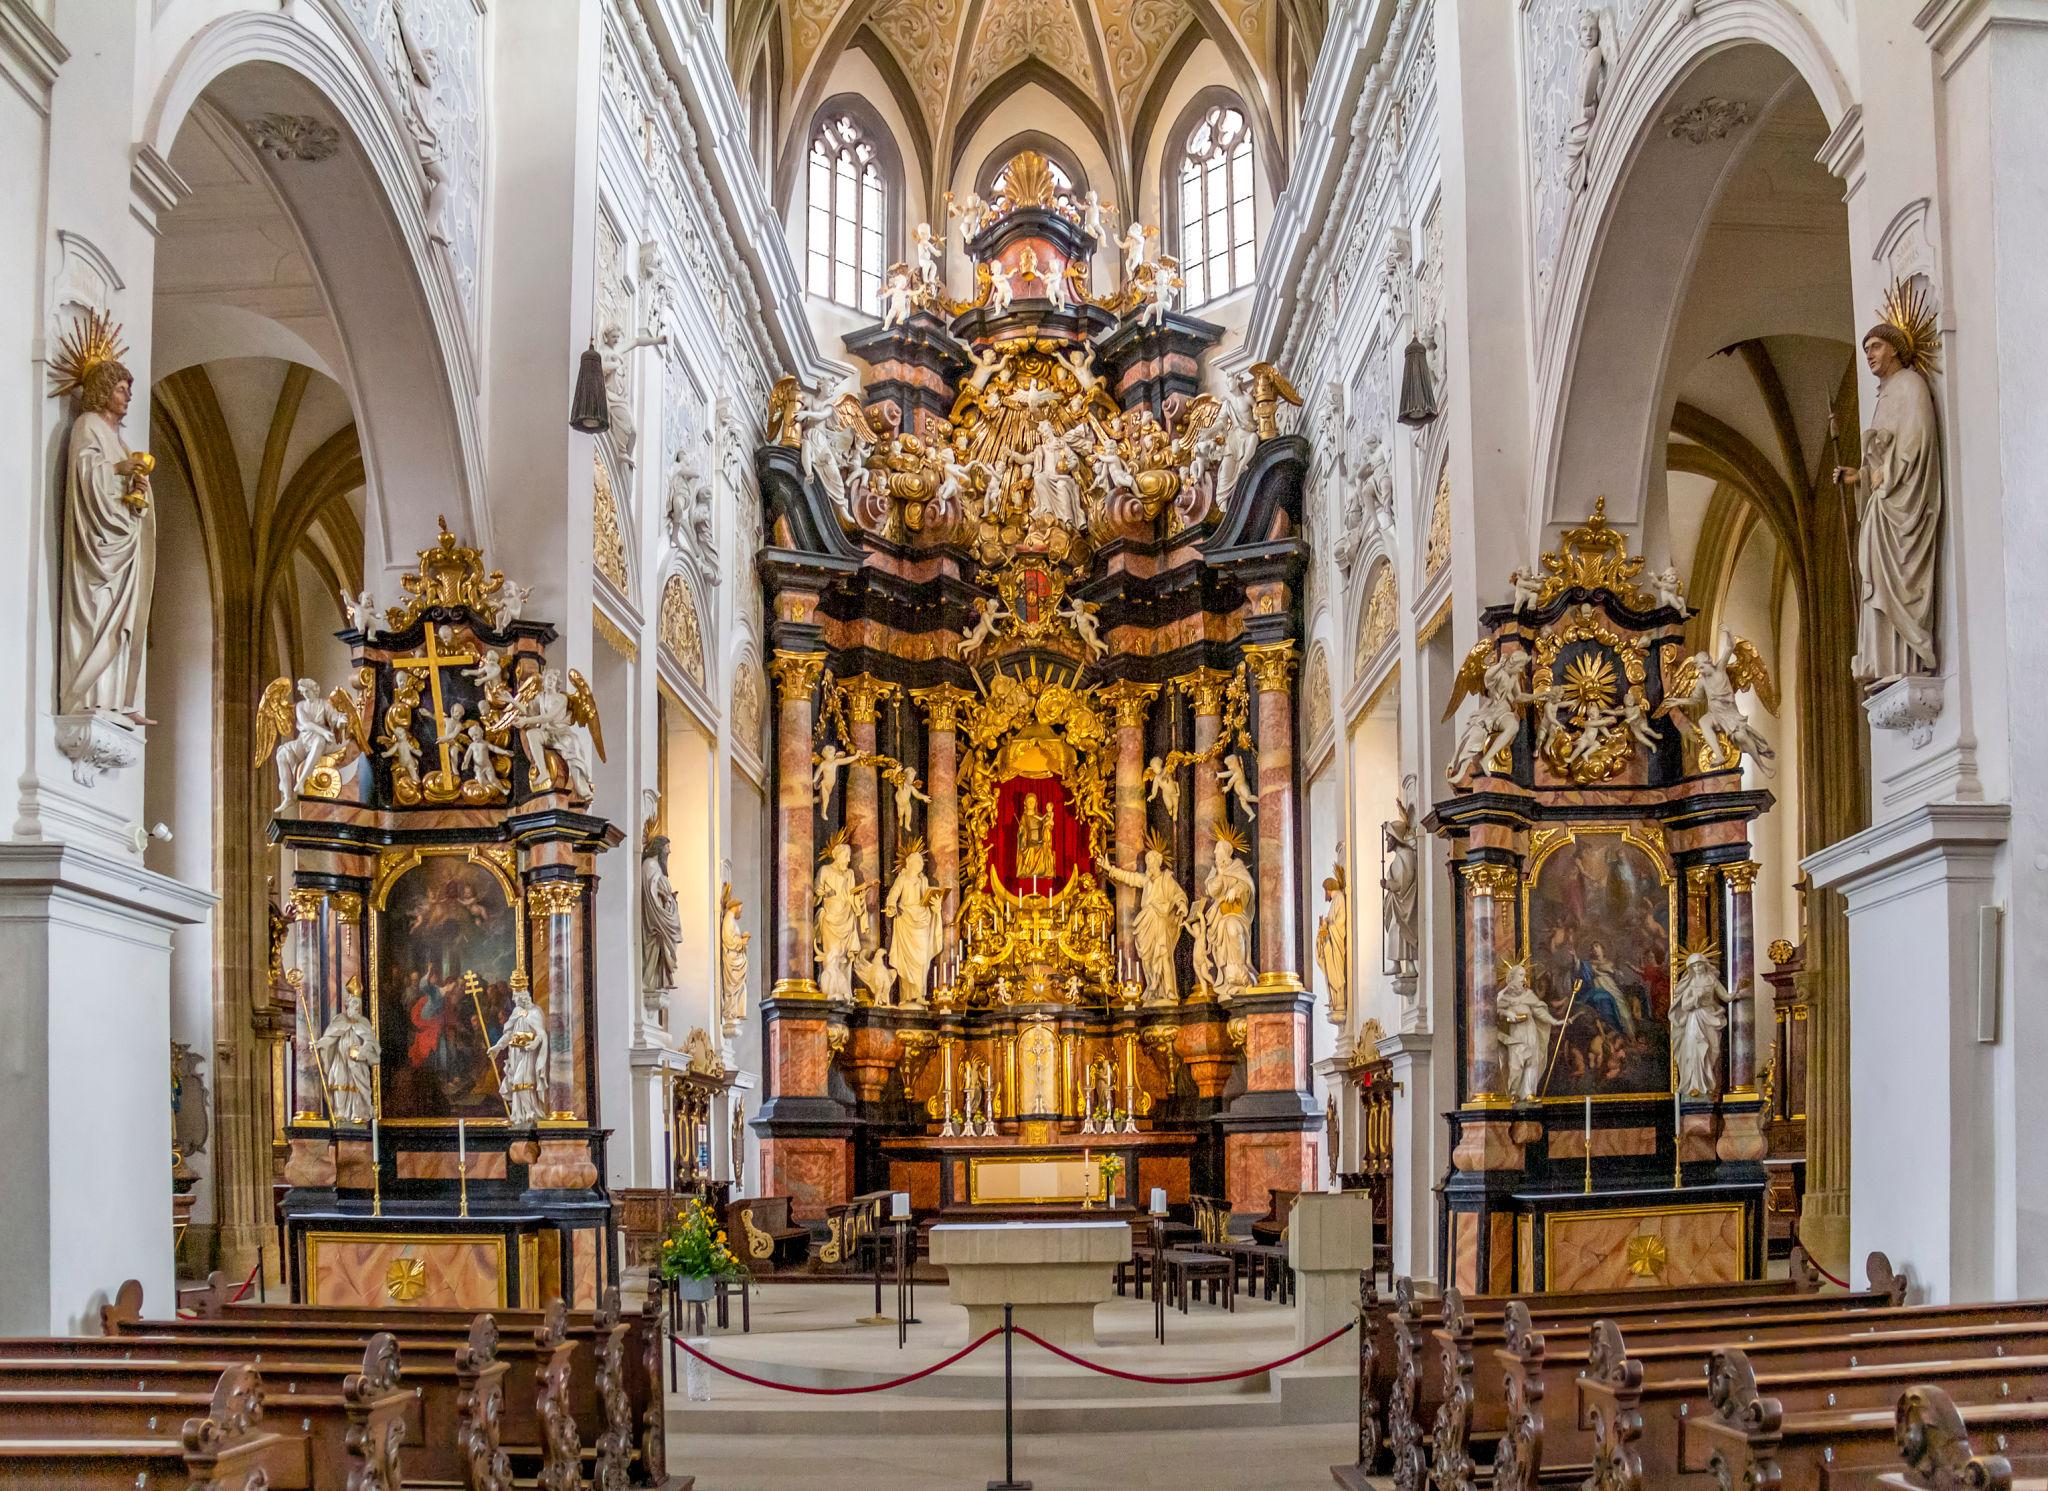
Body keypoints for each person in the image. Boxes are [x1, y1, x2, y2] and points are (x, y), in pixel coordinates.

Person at [489, 975, 550, 1126]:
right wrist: (497, 1046)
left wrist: (535, 1043)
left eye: (517, 995)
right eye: (514, 995)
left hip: (528, 1053)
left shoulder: (536, 1011)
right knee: (516, 1083)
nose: (515, 999)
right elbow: (508, 1034)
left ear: (524, 995)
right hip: (515, 1053)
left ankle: (532, 1112)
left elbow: (541, 1033)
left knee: (521, 1082)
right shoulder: (516, 1011)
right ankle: (520, 1114)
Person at [315, 980, 377, 1125]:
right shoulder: (339, 1019)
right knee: (339, 1083)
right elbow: (330, 1037)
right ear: (347, 1004)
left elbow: (371, 1043)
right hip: (340, 1060)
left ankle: (358, 1113)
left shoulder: (363, 1023)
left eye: (357, 1004)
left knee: (359, 1087)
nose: (355, 1007)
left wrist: (361, 1053)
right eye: (352, 1003)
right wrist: (318, 1044)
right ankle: (340, 1113)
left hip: (357, 1062)